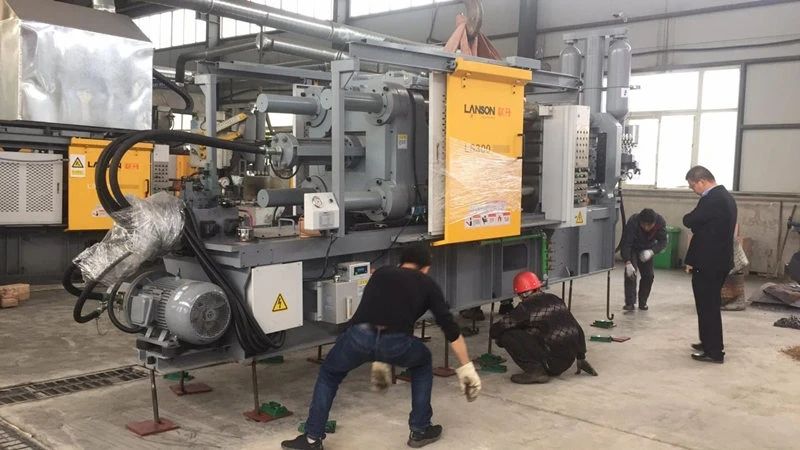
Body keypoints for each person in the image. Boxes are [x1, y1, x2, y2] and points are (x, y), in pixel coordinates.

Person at [281, 244, 481, 450]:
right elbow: (451, 330)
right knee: (422, 361)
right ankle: (420, 430)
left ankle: (312, 439)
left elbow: (378, 308)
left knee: (329, 374)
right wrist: (467, 369)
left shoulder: (381, 273)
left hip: (358, 337)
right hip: (396, 343)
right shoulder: (428, 284)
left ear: (401, 263)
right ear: (426, 267)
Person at [489, 271, 598, 384]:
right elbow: (577, 328)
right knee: (541, 327)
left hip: (551, 363)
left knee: (507, 335)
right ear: (538, 287)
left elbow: (497, 329)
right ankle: (547, 364)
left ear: (520, 294)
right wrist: (581, 357)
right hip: (568, 361)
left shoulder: (525, 308)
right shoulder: (555, 299)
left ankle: (535, 371)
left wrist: (499, 338)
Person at [683, 166, 737, 364]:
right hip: (717, 261)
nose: (693, 190)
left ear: (702, 181)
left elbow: (690, 220)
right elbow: (701, 223)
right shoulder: (725, 197)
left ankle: (714, 351)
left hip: (709, 262)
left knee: (708, 306)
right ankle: (707, 342)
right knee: (706, 305)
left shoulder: (713, 199)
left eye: (692, 186)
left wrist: (694, 222)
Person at [620, 208, 668, 311]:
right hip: (633, 248)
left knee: (649, 275)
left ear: (654, 223)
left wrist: (652, 252)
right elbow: (626, 243)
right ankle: (630, 303)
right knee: (631, 274)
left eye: (649, 225)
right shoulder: (633, 221)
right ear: (640, 221)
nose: (646, 228)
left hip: (647, 248)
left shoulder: (660, 222)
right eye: (643, 225)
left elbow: (663, 241)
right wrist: (628, 262)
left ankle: (643, 302)